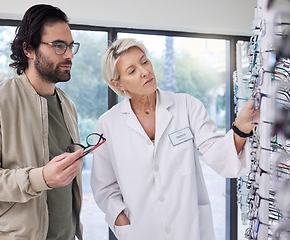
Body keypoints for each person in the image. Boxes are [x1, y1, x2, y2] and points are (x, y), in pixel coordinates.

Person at [90, 38, 258, 240]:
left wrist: (240, 128)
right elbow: (103, 185)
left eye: (144, 62)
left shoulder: (187, 106)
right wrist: (121, 221)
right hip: (141, 231)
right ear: (117, 83)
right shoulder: (108, 124)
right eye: (132, 71)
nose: (144, 71)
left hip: (189, 228)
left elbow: (217, 154)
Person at [0, 4, 84, 240]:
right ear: (28, 49)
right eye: (58, 46)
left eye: (70, 46)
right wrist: (41, 178)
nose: (69, 54)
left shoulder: (68, 105)